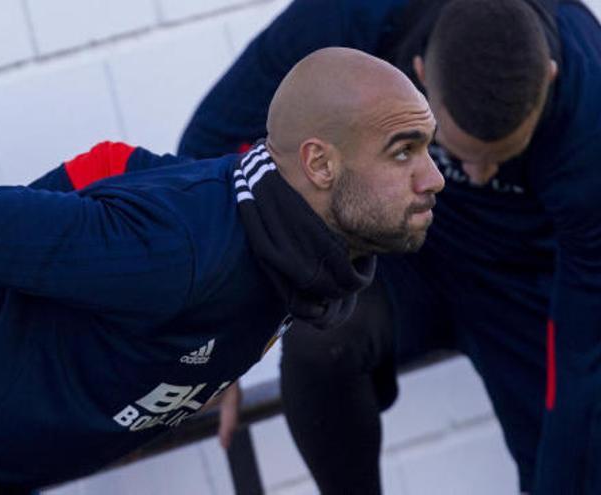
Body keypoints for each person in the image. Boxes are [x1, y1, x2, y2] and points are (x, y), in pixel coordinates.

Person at [0, 47, 443, 495]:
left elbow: (111, 166)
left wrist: (212, 368)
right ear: (317, 162)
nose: (432, 178)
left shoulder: (282, 246)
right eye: (403, 151)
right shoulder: (175, 253)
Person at [179, 0, 601, 493]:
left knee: (576, 461)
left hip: (530, 278)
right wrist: (207, 329)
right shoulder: (357, 15)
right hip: (399, 257)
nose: (473, 175)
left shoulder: (589, 100)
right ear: (420, 74)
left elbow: (583, 338)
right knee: (320, 344)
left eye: (500, 158)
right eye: (460, 155)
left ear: (549, 78)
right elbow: (211, 143)